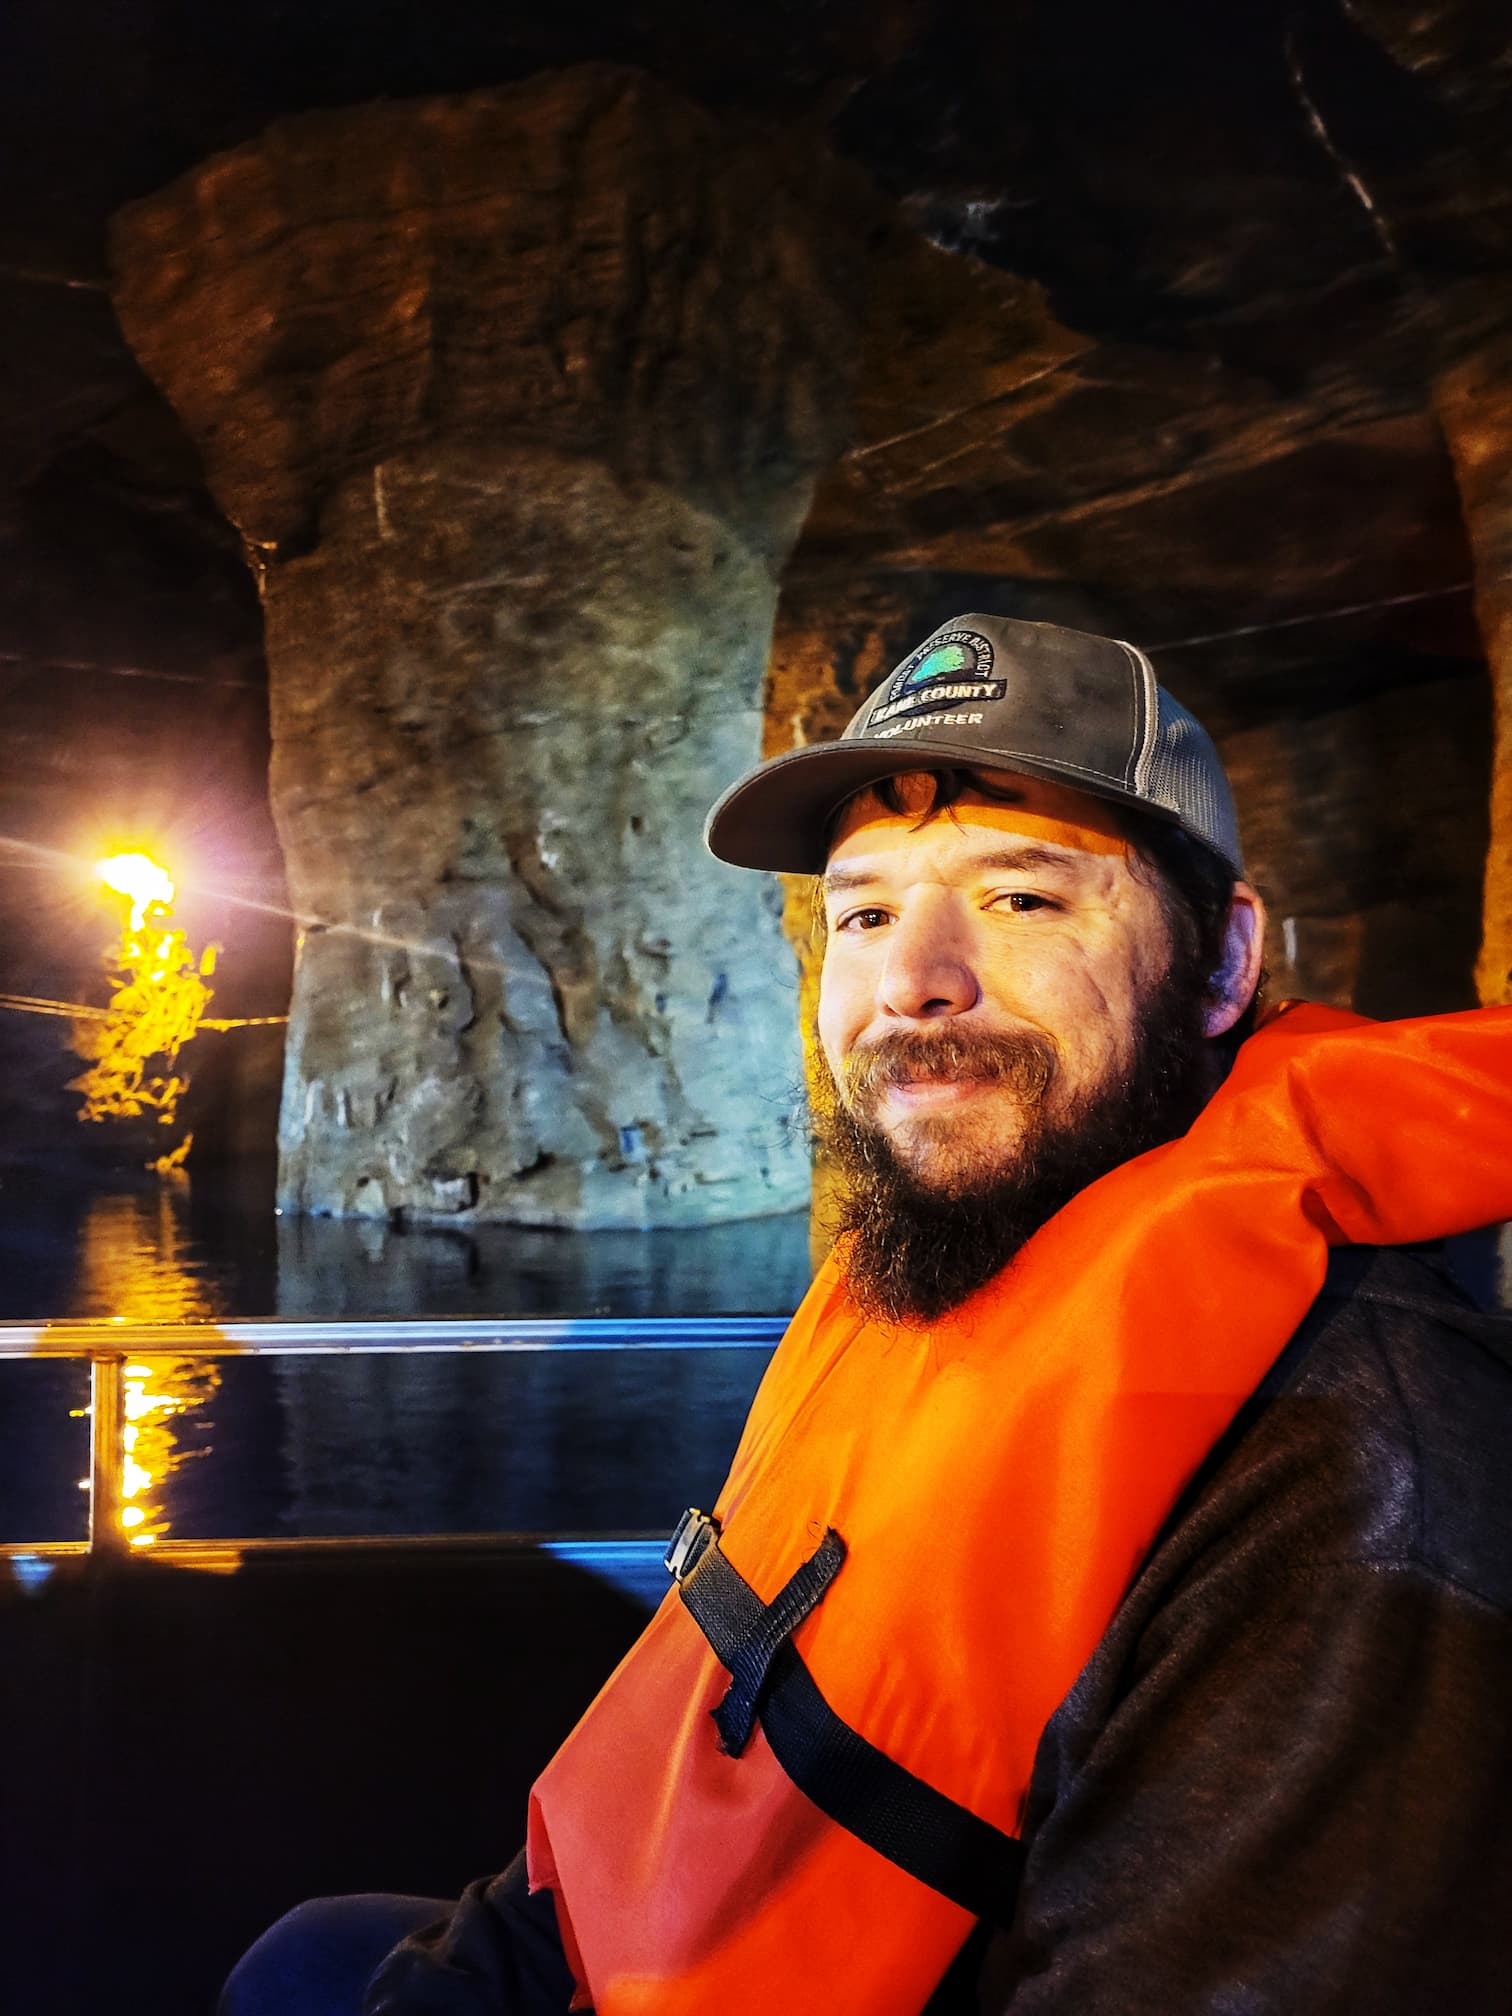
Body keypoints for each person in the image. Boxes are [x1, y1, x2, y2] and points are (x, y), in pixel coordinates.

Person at [222, 615, 1512, 2016]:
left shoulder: (1350, 1470)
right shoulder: (938, 1283)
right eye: (865, 913)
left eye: (1025, 900)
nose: (913, 984)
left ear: (1220, 965)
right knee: (312, 1957)